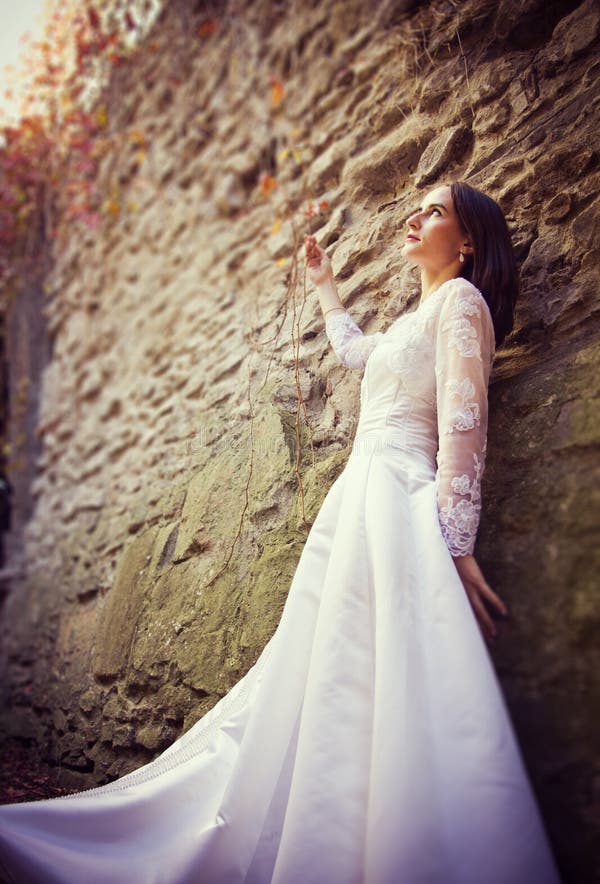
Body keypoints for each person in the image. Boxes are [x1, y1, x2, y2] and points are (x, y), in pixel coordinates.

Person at [0, 182, 562, 884]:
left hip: (399, 499)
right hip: (358, 498)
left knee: (396, 663)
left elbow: (462, 423)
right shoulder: (414, 316)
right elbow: (358, 353)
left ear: (469, 239)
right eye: (416, 207)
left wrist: (456, 541)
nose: (414, 217)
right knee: (327, 666)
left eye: (436, 211)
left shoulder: (460, 304)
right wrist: (327, 289)